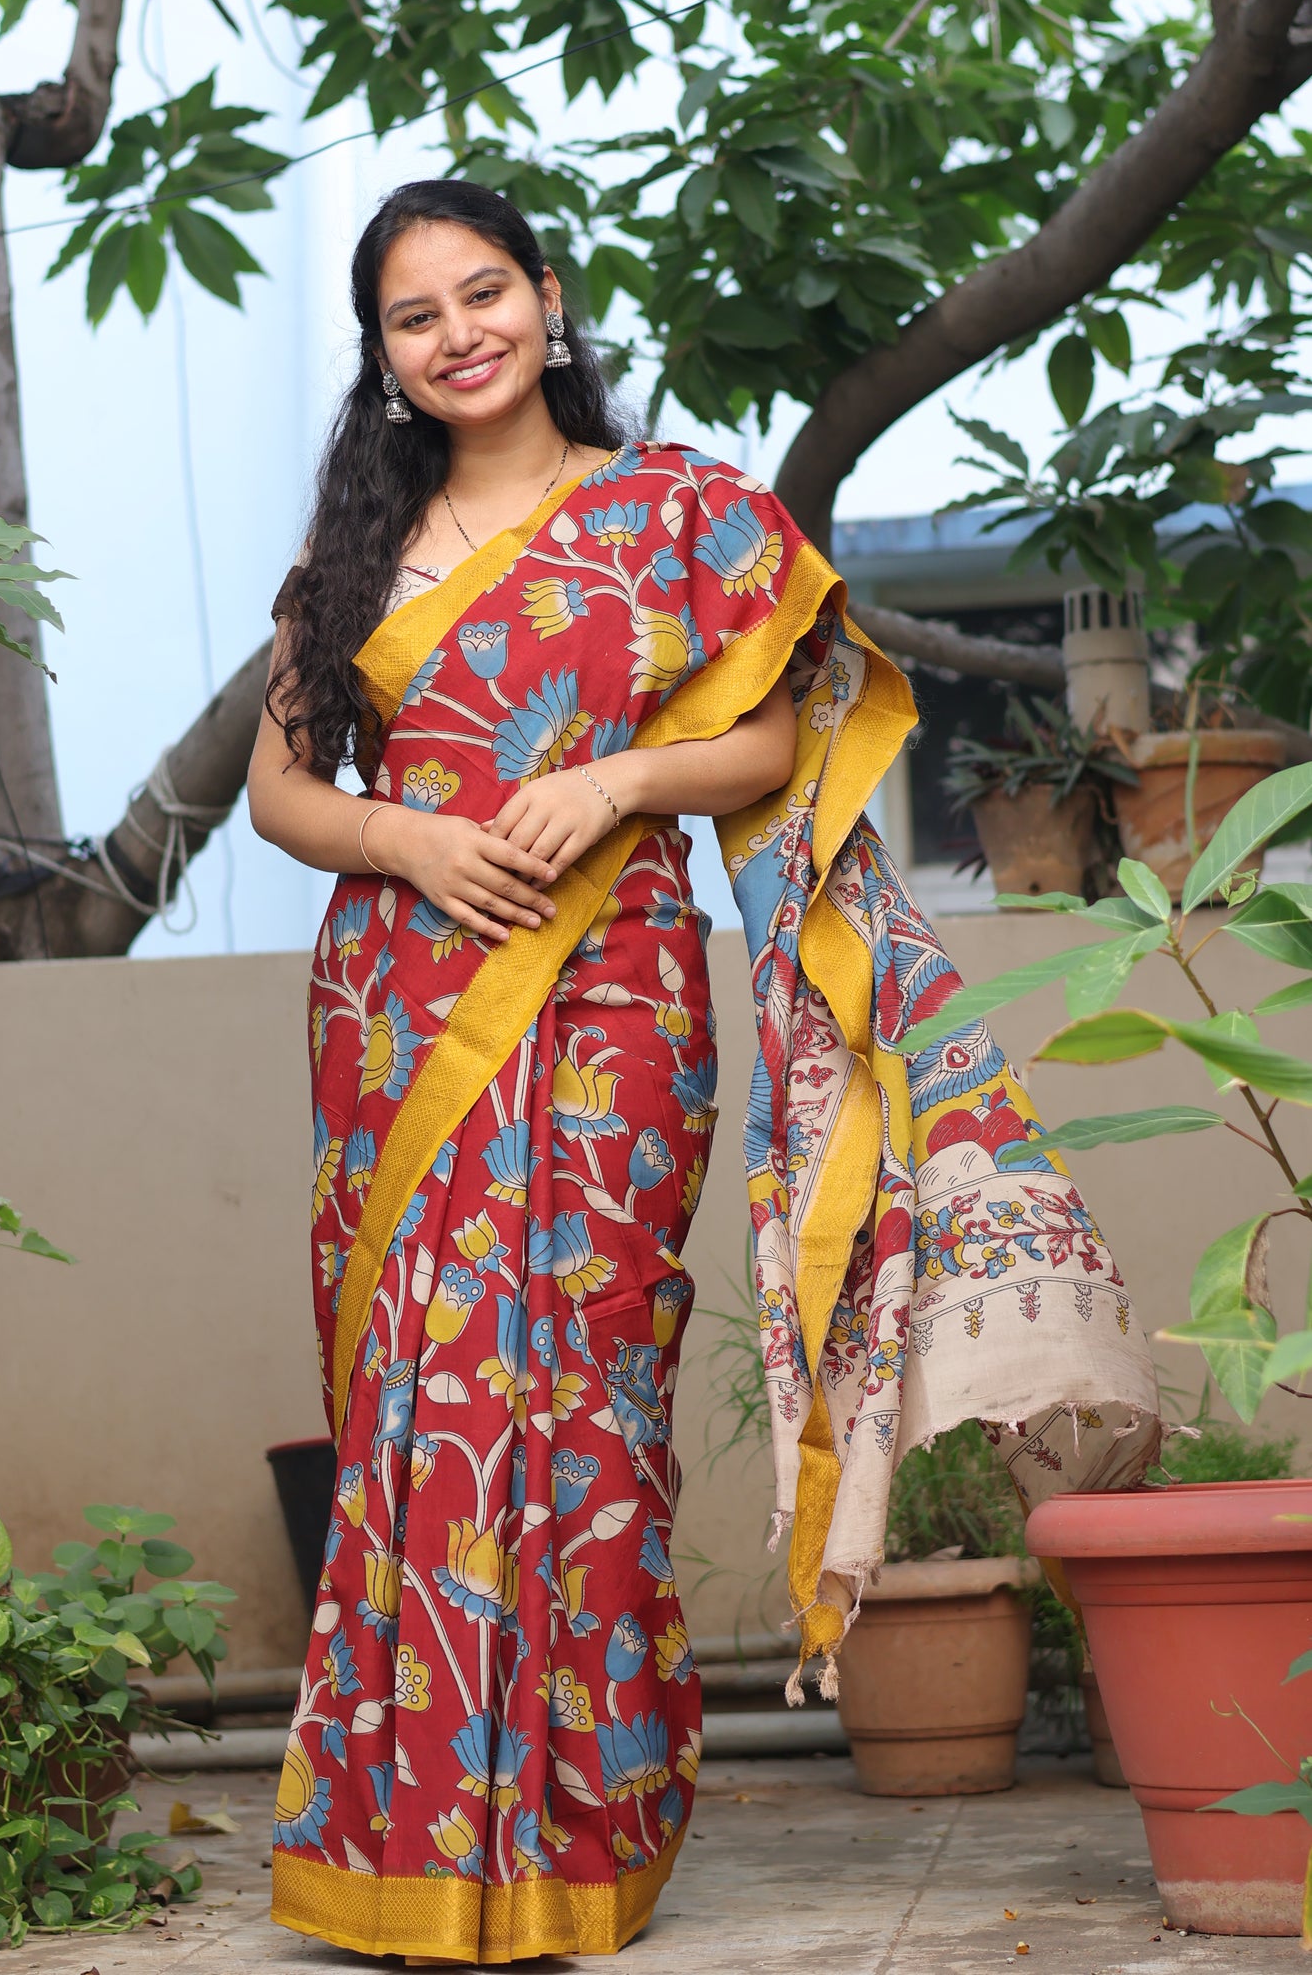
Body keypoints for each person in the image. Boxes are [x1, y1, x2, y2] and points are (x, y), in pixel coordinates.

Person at [249, 179, 1159, 1965]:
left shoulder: (676, 517)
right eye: (412, 316)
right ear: (381, 358)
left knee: (579, 1396)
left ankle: (580, 1834)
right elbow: (283, 790)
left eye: (482, 292)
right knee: (419, 1406)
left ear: (547, 298)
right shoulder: (350, 562)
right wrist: (411, 848)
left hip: (610, 991)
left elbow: (780, 728)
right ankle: (403, 1841)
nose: (457, 334)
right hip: (402, 1001)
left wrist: (619, 783)